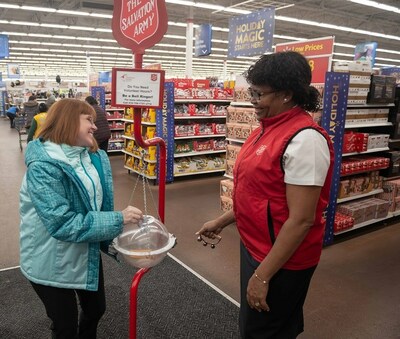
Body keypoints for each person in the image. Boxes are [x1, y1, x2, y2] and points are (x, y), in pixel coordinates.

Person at [196, 51, 334, 338]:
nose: (253, 101)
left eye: (259, 94)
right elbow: (260, 195)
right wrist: (223, 221)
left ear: (285, 94)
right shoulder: (264, 129)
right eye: (252, 92)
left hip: (282, 259)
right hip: (257, 246)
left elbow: (301, 220)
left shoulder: (305, 140)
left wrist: (262, 275)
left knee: (263, 331)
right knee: (264, 326)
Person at [19, 98, 143, 339]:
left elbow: (96, 204)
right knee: (65, 325)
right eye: (89, 120)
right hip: (49, 259)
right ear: (67, 121)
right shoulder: (42, 167)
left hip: (84, 250)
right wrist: (118, 220)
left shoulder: (92, 157)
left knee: (96, 309)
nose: (95, 127)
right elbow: (62, 223)